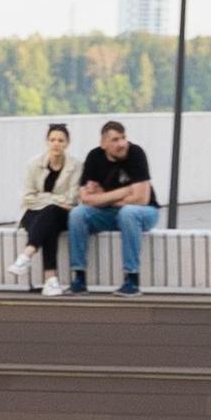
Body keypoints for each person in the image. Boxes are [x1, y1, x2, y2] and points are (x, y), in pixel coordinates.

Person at [69, 118, 158, 292]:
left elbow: (142, 199)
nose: (122, 143)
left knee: (128, 212)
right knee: (78, 214)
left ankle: (132, 279)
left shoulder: (136, 153)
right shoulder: (94, 157)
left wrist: (103, 196)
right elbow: (86, 198)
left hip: (146, 212)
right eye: (115, 140)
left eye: (123, 138)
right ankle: (79, 277)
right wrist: (125, 191)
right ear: (103, 144)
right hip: (109, 213)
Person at [17, 123, 79, 295]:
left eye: (60, 140)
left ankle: (27, 254)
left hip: (62, 214)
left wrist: (45, 198)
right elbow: (28, 197)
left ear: (67, 143)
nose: (56, 144)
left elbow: (72, 198)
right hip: (34, 212)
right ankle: (50, 280)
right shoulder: (33, 164)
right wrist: (54, 200)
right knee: (48, 222)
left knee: (51, 212)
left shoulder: (76, 166)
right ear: (47, 142)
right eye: (52, 140)